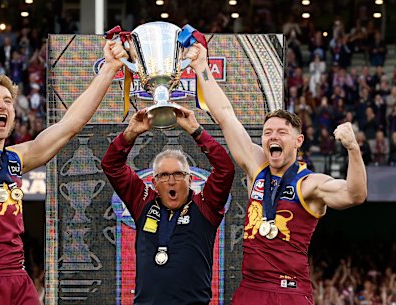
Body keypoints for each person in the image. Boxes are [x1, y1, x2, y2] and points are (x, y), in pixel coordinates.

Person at [0, 7, 126, 305]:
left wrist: (110, 68)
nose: (3, 106)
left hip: (18, 278)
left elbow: (69, 126)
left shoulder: (15, 158)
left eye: (8, 101)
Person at [185, 43, 367, 304]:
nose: (273, 136)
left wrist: (353, 149)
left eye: (282, 132)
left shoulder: (309, 184)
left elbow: (355, 195)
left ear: (298, 141)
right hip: (251, 288)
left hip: (289, 290)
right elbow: (225, 115)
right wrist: (202, 67)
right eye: (268, 132)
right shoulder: (256, 167)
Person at [101, 106, 235, 305]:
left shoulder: (205, 205)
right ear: (154, 183)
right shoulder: (143, 202)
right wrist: (130, 134)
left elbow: (225, 169)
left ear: (190, 180)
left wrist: (196, 130)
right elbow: (111, 165)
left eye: (178, 174)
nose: (171, 181)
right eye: (163, 175)